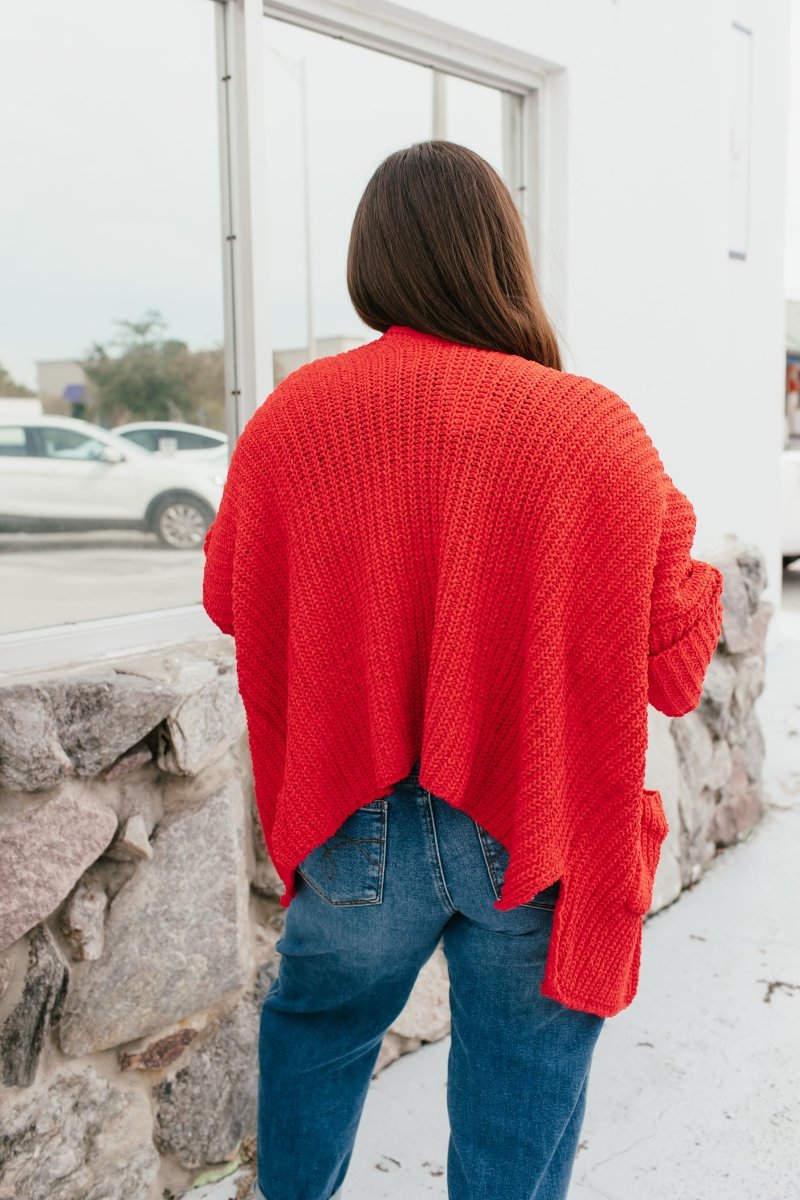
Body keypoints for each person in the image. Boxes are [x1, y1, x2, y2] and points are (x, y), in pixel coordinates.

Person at [202, 139, 724, 1200]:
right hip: (530, 831)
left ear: (372, 259)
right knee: (519, 1089)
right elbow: (671, 665)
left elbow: (231, 599)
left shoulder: (293, 418)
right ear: (503, 259)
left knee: (314, 1038)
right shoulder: (594, 429)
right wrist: (659, 534)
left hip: (356, 827)